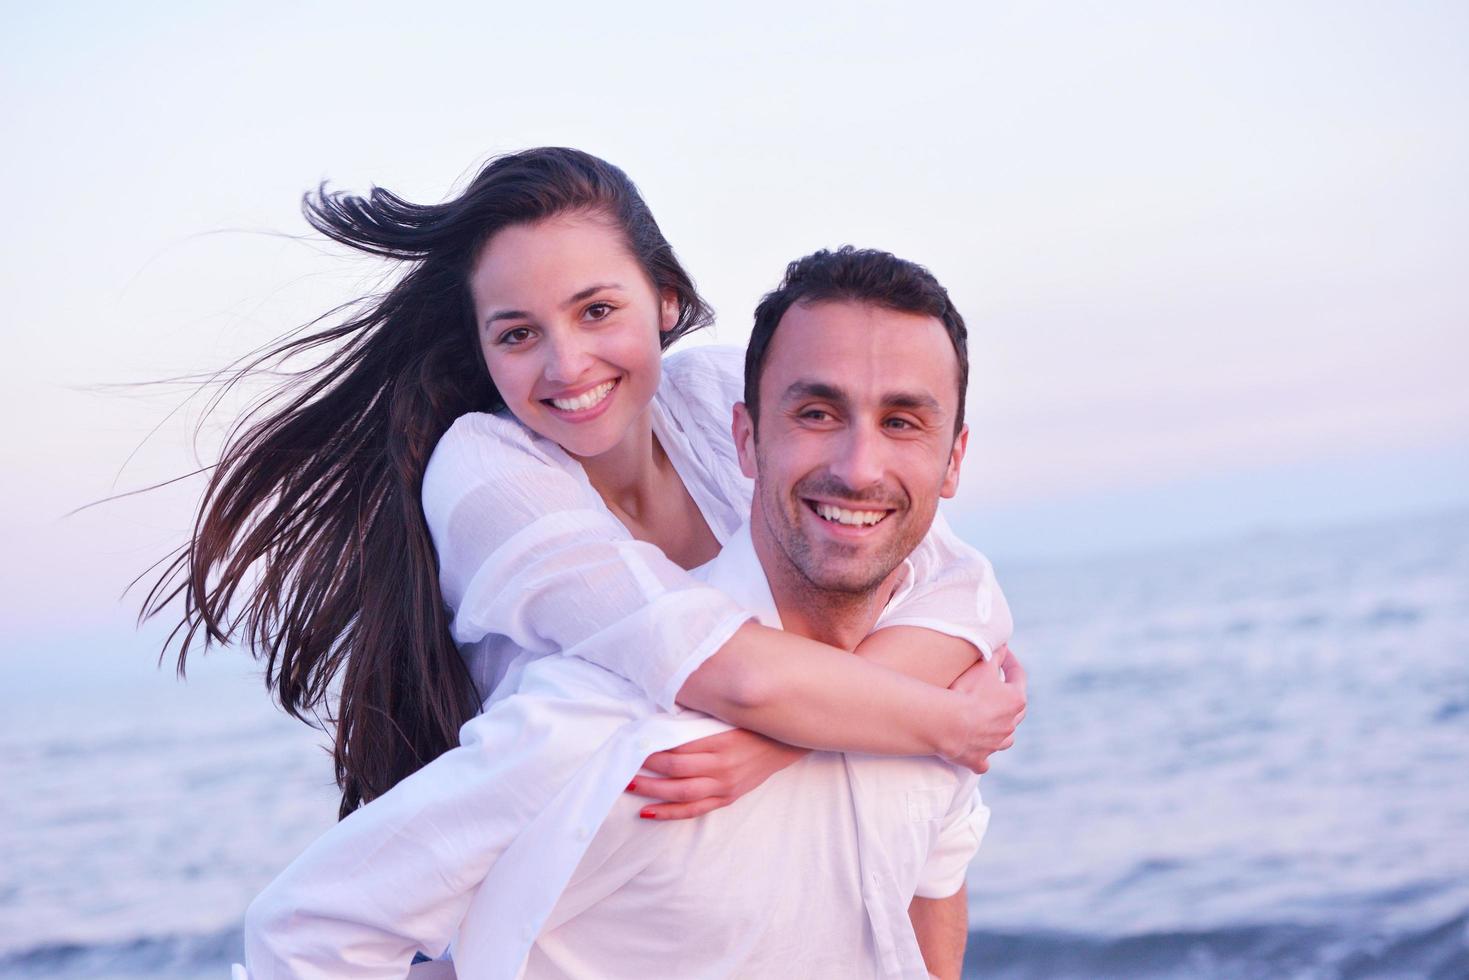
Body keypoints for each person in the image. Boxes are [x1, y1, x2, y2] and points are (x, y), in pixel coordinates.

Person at [145, 147, 1022, 970]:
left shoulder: (720, 392)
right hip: (543, 857)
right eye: (517, 333)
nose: (567, 364)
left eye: (597, 310)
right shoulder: (489, 478)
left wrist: (792, 741)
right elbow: (732, 675)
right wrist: (940, 721)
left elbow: (952, 584)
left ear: (665, 301)